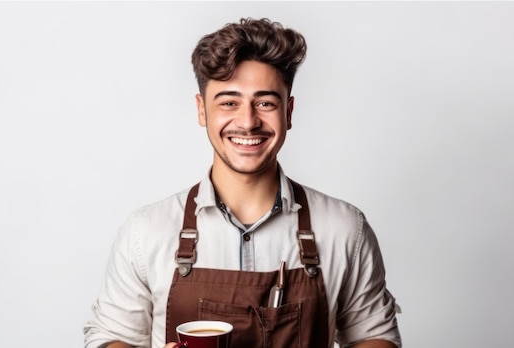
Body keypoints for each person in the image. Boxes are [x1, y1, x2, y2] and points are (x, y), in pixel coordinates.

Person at [84, 18, 401, 348]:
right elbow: (111, 336)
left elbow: (374, 335)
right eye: (228, 102)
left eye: (265, 102)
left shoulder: (343, 228)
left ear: (288, 111)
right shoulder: (147, 231)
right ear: (202, 110)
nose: (248, 122)